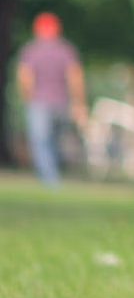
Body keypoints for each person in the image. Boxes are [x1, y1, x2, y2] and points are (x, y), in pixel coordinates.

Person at [16, 12, 88, 185]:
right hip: (61, 101)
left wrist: (27, 98)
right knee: (53, 139)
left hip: (38, 101)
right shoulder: (66, 50)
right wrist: (79, 102)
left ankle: (49, 176)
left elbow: (24, 77)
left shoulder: (30, 50)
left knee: (41, 140)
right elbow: (75, 78)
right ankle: (50, 175)